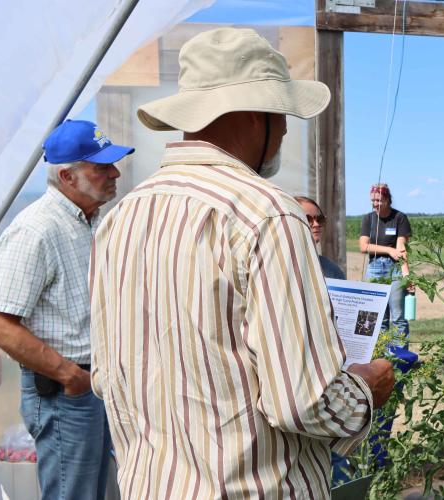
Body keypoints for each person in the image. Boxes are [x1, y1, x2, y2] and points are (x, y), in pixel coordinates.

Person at [89, 28, 394, 498]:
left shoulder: (122, 216)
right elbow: (303, 402)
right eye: (284, 114)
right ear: (257, 115)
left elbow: (107, 376)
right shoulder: (266, 213)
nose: (288, 130)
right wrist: (365, 388)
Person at [0, 119, 133, 499]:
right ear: (67, 176)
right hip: (67, 393)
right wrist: (70, 376)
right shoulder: (36, 231)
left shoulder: (91, 222)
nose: (114, 173)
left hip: (91, 386)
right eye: (101, 167)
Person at [359, 183, 413, 340]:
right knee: (376, 317)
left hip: (395, 269)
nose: (375, 204)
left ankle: (399, 359)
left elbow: (401, 250)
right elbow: (363, 246)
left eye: (379, 200)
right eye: (373, 201)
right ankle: (379, 358)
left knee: (398, 317)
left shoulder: (399, 218)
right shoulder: (368, 219)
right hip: (374, 268)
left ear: (388, 199)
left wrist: (407, 276)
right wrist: (389, 250)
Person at [295, 196, 346, 280]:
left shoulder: (331, 270)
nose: (316, 224)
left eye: (319, 219)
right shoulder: (275, 265)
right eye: (307, 219)